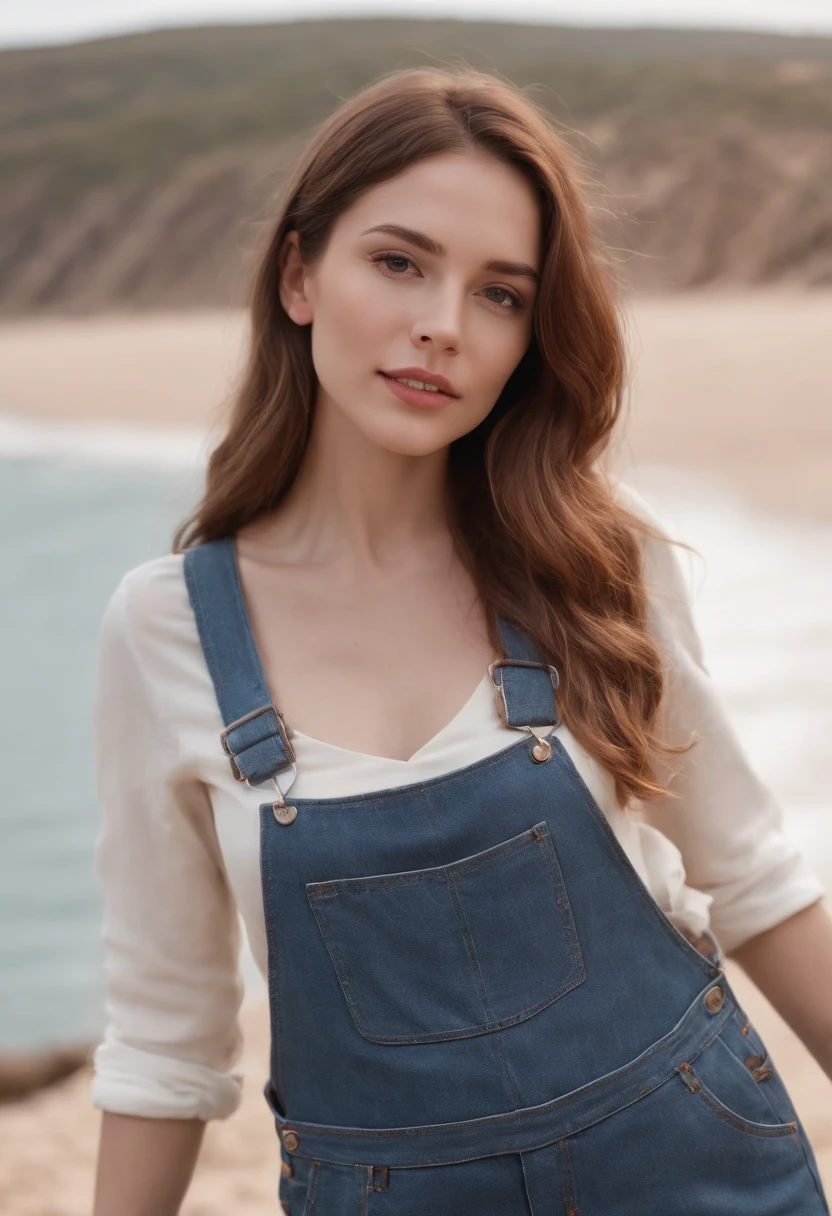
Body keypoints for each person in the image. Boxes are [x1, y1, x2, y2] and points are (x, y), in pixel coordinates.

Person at [90, 66, 832, 1215]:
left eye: (501, 294)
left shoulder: (591, 568)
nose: (441, 324)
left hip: (703, 1175)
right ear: (299, 274)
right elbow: (164, 1041)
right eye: (398, 262)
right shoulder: (166, 630)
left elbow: (756, 881)